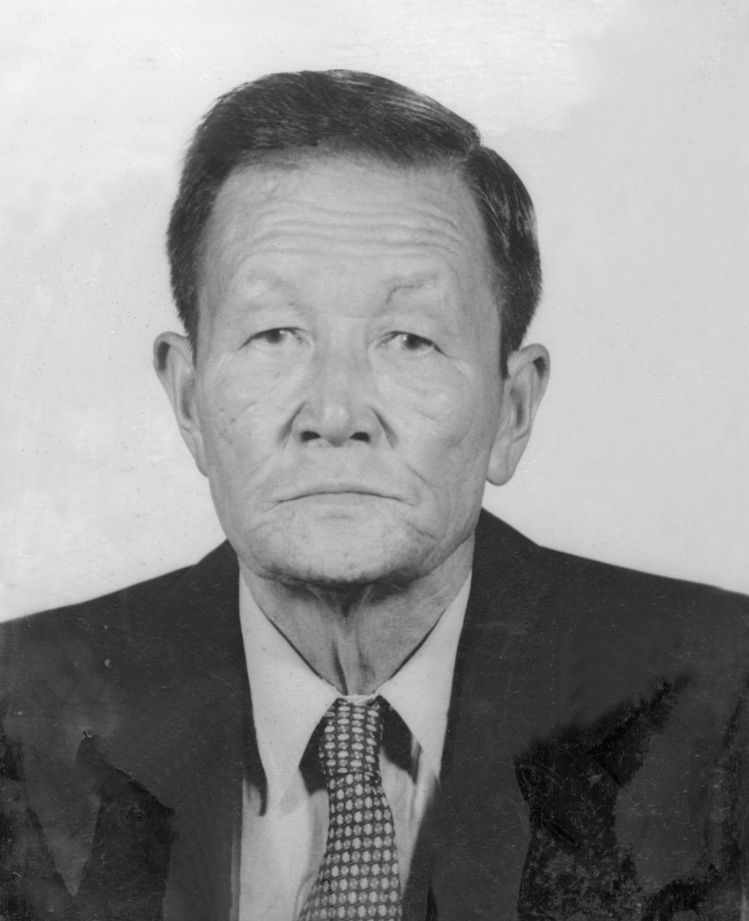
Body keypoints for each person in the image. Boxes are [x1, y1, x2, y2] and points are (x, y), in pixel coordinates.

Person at [1, 69, 747, 921]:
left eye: (409, 339)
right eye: (274, 333)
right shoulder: (22, 715)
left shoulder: (719, 702)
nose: (335, 414)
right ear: (188, 399)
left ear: (512, 409)